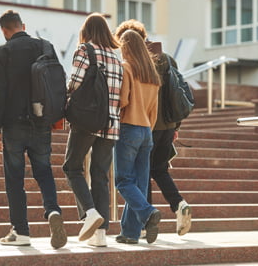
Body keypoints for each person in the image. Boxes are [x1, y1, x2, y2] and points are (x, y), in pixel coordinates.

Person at [0, 10, 67, 249]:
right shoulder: (45, 47)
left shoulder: (1, 53)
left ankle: (21, 231)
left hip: (13, 124)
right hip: (42, 121)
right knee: (44, 171)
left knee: (14, 178)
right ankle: (52, 210)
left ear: (4, 31)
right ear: (23, 25)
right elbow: (56, 83)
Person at [115, 20, 192, 237]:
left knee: (132, 177)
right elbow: (166, 101)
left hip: (137, 126)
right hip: (157, 127)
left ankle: (146, 216)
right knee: (149, 175)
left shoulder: (132, 65)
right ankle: (134, 231)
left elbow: (124, 100)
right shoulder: (160, 65)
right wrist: (171, 126)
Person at [62, 13, 123, 247]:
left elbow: (75, 82)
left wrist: (65, 97)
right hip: (111, 124)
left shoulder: (85, 51)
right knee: (100, 176)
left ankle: (90, 212)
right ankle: (100, 235)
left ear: (86, 32)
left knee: (72, 167)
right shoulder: (116, 59)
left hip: (87, 121)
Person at [114, 29, 162, 245]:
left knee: (123, 180)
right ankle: (130, 233)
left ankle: (148, 212)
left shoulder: (126, 68)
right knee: (140, 183)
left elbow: (123, 101)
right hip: (146, 131)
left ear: (127, 47)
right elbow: (154, 110)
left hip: (129, 127)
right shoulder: (152, 74)